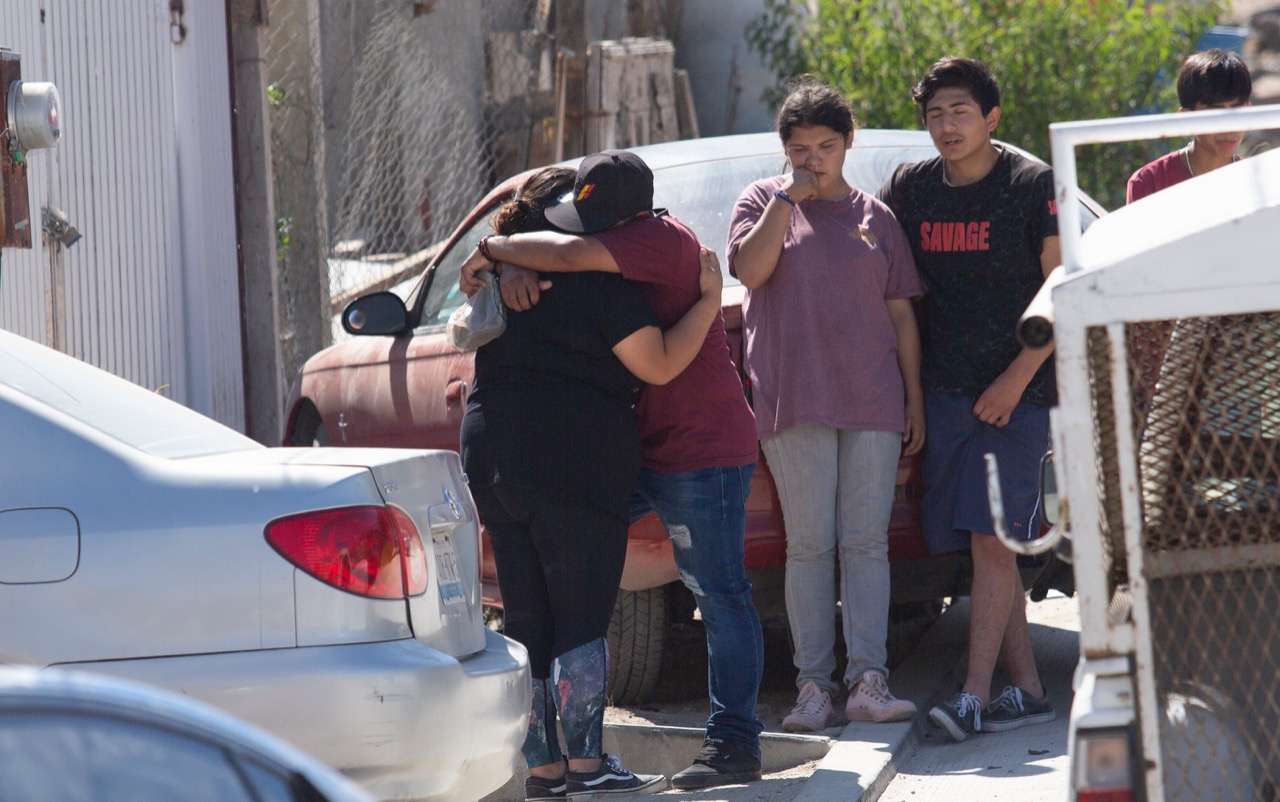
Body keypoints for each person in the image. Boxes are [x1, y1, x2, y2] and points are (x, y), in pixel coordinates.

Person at [460, 150, 767, 791]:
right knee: (575, 613)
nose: (593, 229)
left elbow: (558, 266)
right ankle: (585, 767)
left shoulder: (650, 240)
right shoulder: (593, 276)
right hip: (596, 455)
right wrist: (500, 256)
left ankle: (718, 746)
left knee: (537, 613)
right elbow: (646, 358)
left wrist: (495, 253)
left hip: (682, 446)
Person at [725, 77, 923, 733]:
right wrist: (788, 198)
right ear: (784, 150)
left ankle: (869, 680)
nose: (814, 159)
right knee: (809, 545)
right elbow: (750, 272)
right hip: (793, 396)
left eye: (827, 146)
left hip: (873, 398)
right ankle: (813, 688)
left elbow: (901, 318)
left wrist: (914, 401)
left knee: (866, 542)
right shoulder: (760, 201)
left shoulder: (876, 218)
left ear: (847, 144)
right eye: (801, 147)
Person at [877, 56, 1060, 742]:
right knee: (986, 546)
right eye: (935, 114)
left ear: (991, 118)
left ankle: (975, 696)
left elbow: (1061, 282)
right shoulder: (911, 189)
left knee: (993, 538)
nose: (947, 126)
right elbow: (878, 270)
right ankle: (1030, 690)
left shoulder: (1029, 183)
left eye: (960, 112)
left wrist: (1016, 378)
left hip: (1023, 392)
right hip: (947, 390)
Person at [1127, 48, 1253, 203]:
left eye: (1237, 111)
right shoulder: (1149, 183)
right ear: (1187, 118)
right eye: (1215, 113)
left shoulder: (1262, 183)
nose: (1228, 126)